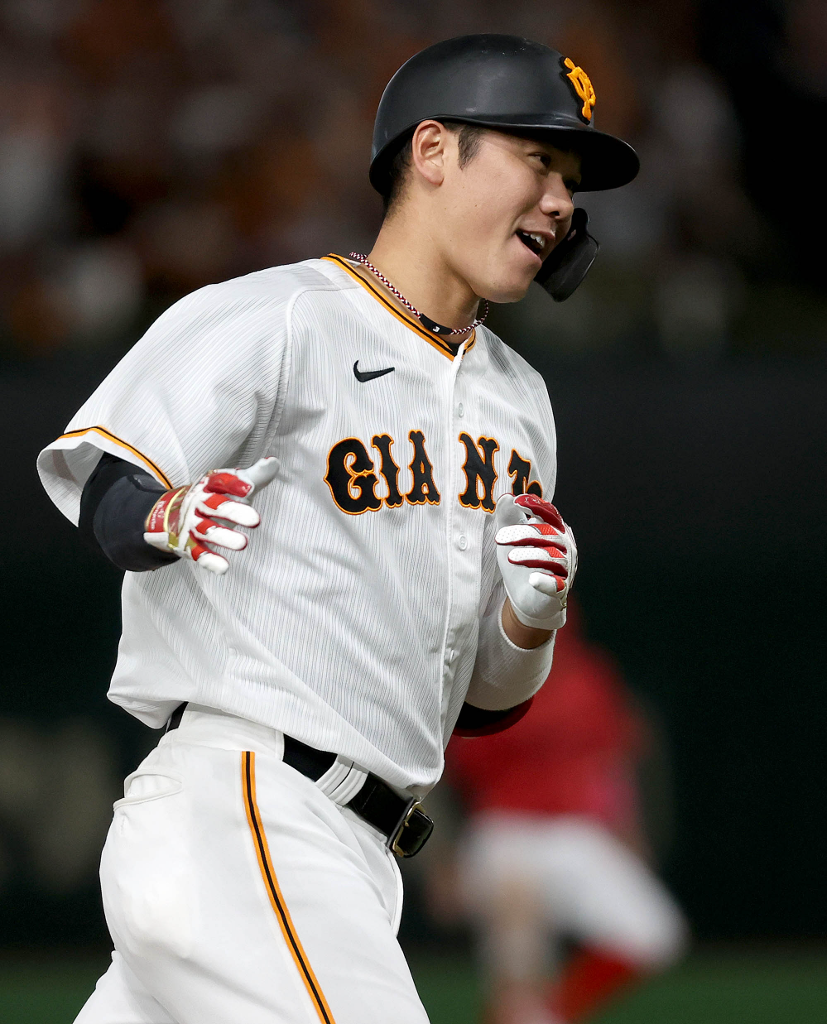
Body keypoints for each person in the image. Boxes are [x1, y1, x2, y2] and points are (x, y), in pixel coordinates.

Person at [37, 35, 638, 1024]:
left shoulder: (520, 403)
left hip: (352, 853)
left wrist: (530, 619)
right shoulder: (280, 317)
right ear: (432, 151)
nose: (560, 201)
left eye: (569, 181)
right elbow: (110, 490)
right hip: (246, 810)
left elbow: (480, 705)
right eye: (537, 159)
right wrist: (166, 513)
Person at [444, 600, 688, 1024]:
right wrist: (441, 859)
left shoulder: (588, 676)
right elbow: (439, 773)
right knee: (517, 977)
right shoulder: (485, 674)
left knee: (653, 933)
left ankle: (551, 1014)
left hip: (575, 835)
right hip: (506, 833)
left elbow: (611, 760)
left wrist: (627, 831)